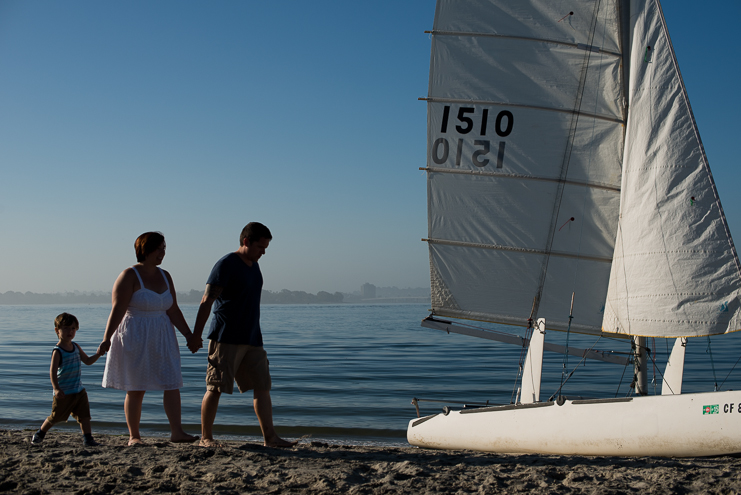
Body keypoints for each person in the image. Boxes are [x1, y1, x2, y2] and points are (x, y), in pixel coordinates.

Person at [193, 222, 296, 448]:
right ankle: (206, 438)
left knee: (262, 387)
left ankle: (271, 438)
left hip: (253, 338)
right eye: (261, 247)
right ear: (246, 242)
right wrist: (195, 335)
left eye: (266, 247)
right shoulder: (226, 265)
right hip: (225, 337)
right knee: (215, 387)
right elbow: (206, 301)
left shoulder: (254, 265)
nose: (264, 252)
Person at [97, 231, 202, 446]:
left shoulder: (166, 276)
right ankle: (134, 436)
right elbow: (117, 309)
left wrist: (189, 335)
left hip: (163, 335)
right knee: (136, 387)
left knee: (172, 382)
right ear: (145, 249)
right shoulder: (128, 275)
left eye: (164, 249)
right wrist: (106, 338)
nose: (162, 253)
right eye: (159, 249)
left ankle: (177, 431)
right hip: (135, 335)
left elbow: (173, 310)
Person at [31, 313, 102, 447]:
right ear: (57, 331)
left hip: (79, 390)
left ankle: (88, 439)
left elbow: (87, 361)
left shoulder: (75, 346)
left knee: (84, 416)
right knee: (55, 417)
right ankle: (40, 433)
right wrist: (56, 388)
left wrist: (98, 354)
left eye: (73, 328)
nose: (70, 331)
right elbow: (52, 372)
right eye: (66, 328)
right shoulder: (58, 351)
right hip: (64, 392)